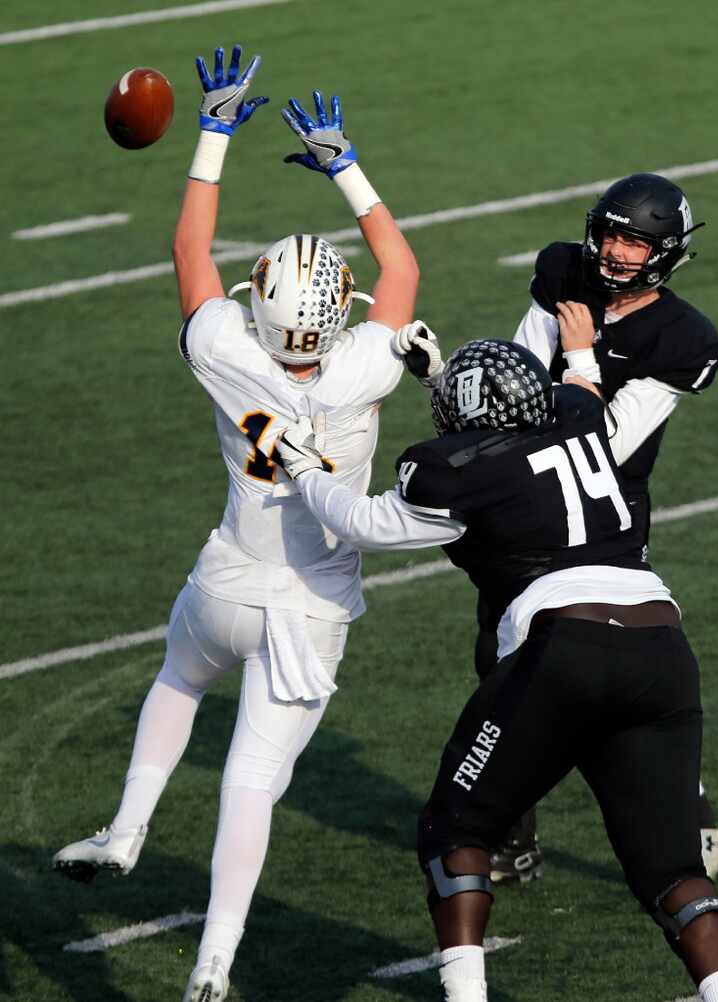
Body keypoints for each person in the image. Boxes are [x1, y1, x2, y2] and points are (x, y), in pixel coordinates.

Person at [51, 44, 437, 1002]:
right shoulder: (368, 363)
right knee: (249, 789)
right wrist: (345, 163)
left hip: (228, 579)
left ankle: (129, 824)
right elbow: (401, 261)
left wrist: (215, 132)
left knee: (179, 679)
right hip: (309, 613)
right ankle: (214, 963)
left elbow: (190, 254)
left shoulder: (227, 345)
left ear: (260, 307)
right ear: (331, 313)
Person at [272, 338, 718, 1002]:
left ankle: (466, 995)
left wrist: (303, 469)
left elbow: (364, 523)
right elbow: (577, 387)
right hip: (662, 646)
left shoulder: (456, 469)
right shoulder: (581, 424)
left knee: (456, 829)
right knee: (671, 867)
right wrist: (566, 353)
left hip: (566, 646)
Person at [478, 172, 718, 884]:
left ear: (666, 251)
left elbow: (606, 445)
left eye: (635, 241)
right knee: (498, 659)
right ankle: (510, 832)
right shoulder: (562, 271)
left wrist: (582, 357)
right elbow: (519, 376)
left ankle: (688, 800)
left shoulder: (683, 339)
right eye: (612, 234)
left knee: (605, 670)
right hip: (528, 504)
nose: (616, 253)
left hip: (607, 519)